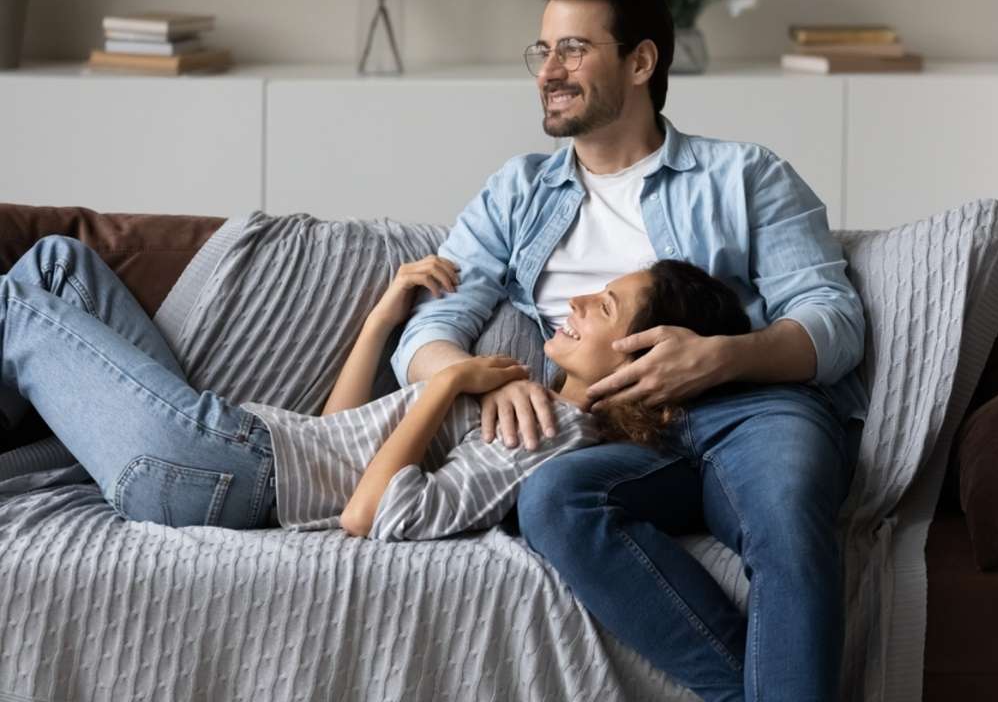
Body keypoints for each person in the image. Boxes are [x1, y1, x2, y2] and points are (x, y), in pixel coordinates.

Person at [393, 0, 869, 702]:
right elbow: (430, 325)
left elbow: (832, 320)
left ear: (641, 61)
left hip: (750, 406)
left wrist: (722, 356)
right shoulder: (516, 193)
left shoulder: (745, 175)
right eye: (542, 51)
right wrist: (467, 374)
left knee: (784, 510)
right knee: (551, 500)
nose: (549, 71)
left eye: (573, 50)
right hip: (609, 431)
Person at [0, 233, 749, 541]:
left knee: (17, 305)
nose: (579, 304)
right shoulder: (529, 398)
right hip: (236, 448)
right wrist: (381, 321)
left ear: (644, 357)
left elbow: (370, 515)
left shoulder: (550, 437)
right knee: (56, 264)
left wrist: (447, 380)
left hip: (226, 471)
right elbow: (335, 433)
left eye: (607, 307)